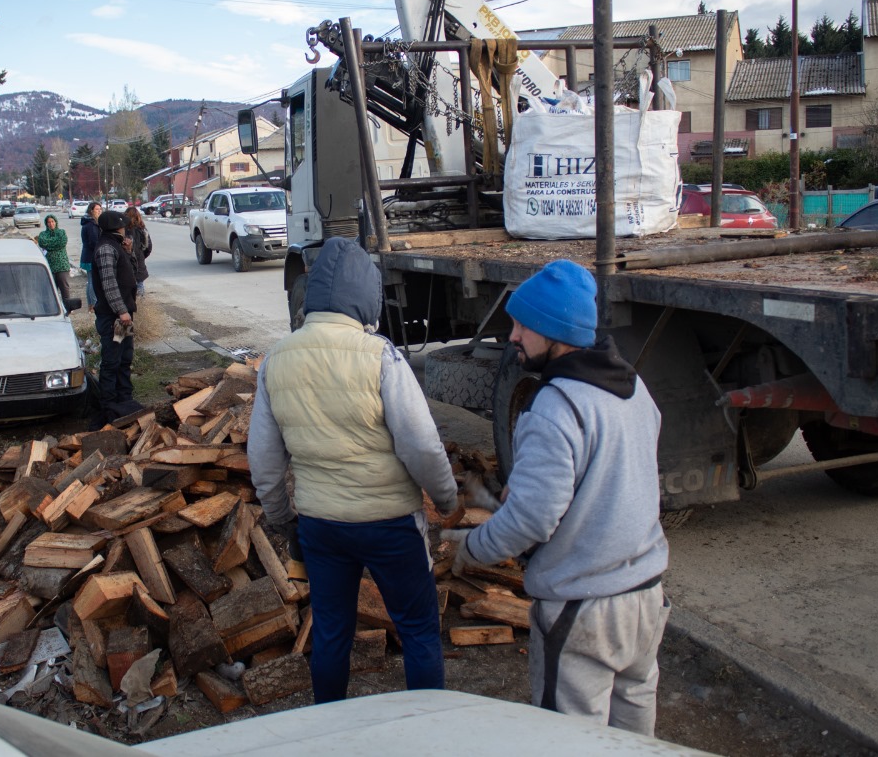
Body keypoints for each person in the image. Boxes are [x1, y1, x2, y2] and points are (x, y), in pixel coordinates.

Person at [443, 259, 670, 736]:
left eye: (524, 326)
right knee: (634, 733)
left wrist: (473, 548)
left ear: (554, 333)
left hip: (584, 607)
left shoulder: (556, 406)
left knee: (572, 738)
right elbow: (609, 481)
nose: (513, 337)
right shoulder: (632, 388)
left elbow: (532, 521)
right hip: (645, 597)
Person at [247, 236, 462, 705]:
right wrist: (446, 499)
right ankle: (430, 728)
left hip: (323, 526)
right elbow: (422, 446)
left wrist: (283, 517)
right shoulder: (381, 355)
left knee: (330, 632)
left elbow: (263, 460)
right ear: (366, 296)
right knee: (420, 631)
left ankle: (332, 731)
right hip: (389, 524)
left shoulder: (276, 359)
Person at [90, 209, 142, 426]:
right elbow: (109, 285)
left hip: (123, 317)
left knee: (124, 357)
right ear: (115, 228)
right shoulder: (105, 249)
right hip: (114, 317)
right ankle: (109, 406)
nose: (125, 228)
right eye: (122, 225)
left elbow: (132, 273)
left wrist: (129, 253)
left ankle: (125, 400)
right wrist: (121, 311)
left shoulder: (116, 246)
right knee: (112, 360)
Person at [36, 214, 72, 302]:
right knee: (51, 289)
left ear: (55, 222)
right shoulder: (43, 234)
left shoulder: (61, 232)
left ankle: (67, 306)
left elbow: (61, 243)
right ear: (46, 223)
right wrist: (54, 243)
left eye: (52, 221)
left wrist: (50, 245)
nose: (51, 224)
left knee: (65, 288)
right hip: (50, 265)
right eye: (49, 222)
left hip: (62, 265)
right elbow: (42, 243)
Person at [79, 201, 103, 312]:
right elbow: (94, 242)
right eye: (97, 209)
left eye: (100, 209)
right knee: (93, 281)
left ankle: (91, 304)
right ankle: (93, 304)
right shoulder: (91, 224)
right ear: (91, 210)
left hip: (88, 255)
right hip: (91, 256)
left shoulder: (90, 223)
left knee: (90, 281)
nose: (99, 211)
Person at [125, 206, 152, 298]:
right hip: (139, 260)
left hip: (126, 260)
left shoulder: (122, 230)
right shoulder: (142, 229)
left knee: (127, 286)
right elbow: (148, 247)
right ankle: (140, 306)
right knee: (139, 284)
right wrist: (141, 255)